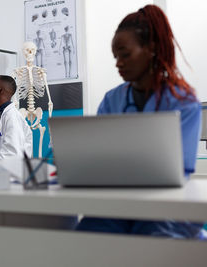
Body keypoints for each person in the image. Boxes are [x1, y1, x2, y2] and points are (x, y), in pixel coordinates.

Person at [76, 5, 203, 238]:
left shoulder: (183, 102)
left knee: (155, 239)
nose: (118, 63)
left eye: (125, 55)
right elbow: (99, 158)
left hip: (164, 209)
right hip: (117, 207)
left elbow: (177, 171)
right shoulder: (112, 99)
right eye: (115, 57)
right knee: (85, 236)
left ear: (151, 49)